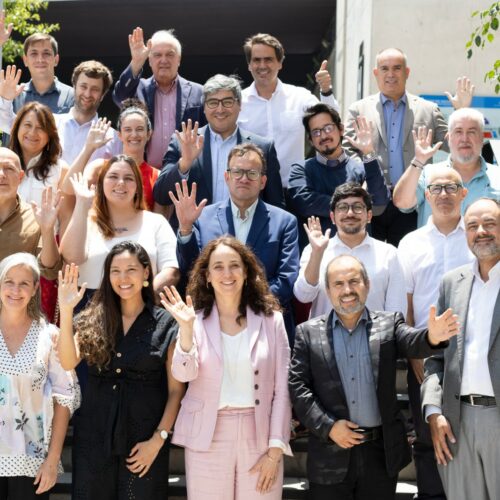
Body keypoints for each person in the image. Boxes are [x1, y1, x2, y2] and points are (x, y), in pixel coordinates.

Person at [289, 254, 459, 500]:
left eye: (354, 281)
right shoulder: (307, 333)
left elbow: (413, 341)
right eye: (338, 284)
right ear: (328, 290)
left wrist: (432, 337)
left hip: (380, 456)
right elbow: (298, 387)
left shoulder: (389, 324)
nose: (347, 290)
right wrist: (329, 427)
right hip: (330, 455)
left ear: (367, 285)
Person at [162, 236, 292, 499]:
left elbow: (283, 388)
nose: (227, 273)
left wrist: (275, 449)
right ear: (207, 276)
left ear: (246, 272)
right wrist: (186, 330)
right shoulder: (193, 320)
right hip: (207, 435)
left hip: (260, 434)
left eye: (234, 265)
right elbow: (183, 374)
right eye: (218, 267)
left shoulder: (272, 320)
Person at [57, 242, 185, 499]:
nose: (123, 278)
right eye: (115, 271)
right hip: (94, 438)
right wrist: (67, 310)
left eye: (131, 270)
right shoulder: (93, 317)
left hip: (144, 442)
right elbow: (68, 362)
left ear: (146, 272)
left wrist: (158, 440)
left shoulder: (166, 323)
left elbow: (176, 391)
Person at [343, 48, 473, 245]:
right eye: (384, 68)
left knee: (409, 258)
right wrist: (366, 174)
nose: (391, 74)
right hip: (371, 199)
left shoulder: (428, 109)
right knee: (370, 257)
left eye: (397, 68)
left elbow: (453, 145)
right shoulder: (358, 109)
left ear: (407, 72)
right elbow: (348, 150)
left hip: (413, 200)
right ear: (376, 73)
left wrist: (461, 112)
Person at [170, 143, 299, 341]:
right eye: (237, 172)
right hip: (213, 325)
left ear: (263, 181)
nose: (244, 178)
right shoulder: (202, 218)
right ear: (227, 177)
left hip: (265, 325)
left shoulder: (284, 222)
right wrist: (186, 228)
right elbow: (192, 271)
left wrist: (243, 303)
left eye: (252, 173)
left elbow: (286, 280)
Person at [397, 166, 474, 499]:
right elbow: (405, 302)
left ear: (463, 193)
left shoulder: (476, 236)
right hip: (425, 352)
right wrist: (414, 352)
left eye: (451, 187)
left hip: (472, 351)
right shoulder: (410, 243)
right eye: (437, 188)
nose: (444, 194)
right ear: (426, 196)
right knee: (427, 437)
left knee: (470, 434)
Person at [421, 197, 500, 500]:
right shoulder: (451, 283)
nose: (481, 231)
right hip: (457, 423)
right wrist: (433, 412)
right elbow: (436, 357)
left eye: (490, 223)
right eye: (472, 226)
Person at [154, 74, 284, 230]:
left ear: (239, 104)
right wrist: (185, 163)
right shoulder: (182, 142)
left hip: (247, 235)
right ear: (204, 108)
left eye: (227, 102)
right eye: (213, 103)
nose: (220, 109)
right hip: (195, 235)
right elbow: (161, 195)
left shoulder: (263, 147)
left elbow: (276, 205)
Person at [0, 253, 80, 500]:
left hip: (32, 463)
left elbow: (64, 400)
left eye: (24, 283)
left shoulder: (50, 336)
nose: (15, 290)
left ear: (36, 288)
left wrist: (53, 460)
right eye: (9, 282)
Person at [59, 155, 179, 302]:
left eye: (128, 178)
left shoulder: (156, 222)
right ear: (101, 184)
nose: (121, 183)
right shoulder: (85, 222)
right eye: (113, 177)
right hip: (89, 307)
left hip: (141, 306)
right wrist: (81, 204)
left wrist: (139, 299)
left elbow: (171, 270)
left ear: (137, 187)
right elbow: (71, 259)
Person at [238, 33, 340, 186]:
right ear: (249, 65)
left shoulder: (300, 97)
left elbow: (331, 121)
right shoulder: (238, 103)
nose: (262, 65)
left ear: (280, 63)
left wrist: (326, 90)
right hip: (251, 189)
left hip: (293, 188)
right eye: (257, 60)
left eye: (268, 59)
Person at [294, 183, 406, 319]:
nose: (350, 213)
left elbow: (397, 310)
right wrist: (317, 253)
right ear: (332, 217)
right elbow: (303, 296)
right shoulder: (315, 250)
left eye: (357, 207)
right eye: (343, 207)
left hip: (377, 332)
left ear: (369, 215)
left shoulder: (388, 254)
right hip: (326, 332)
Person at [288, 104, 389, 244]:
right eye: (316, 132)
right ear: (310, 140)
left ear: (341, 129)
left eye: (328, 128)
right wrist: (358, 202)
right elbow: (304, 203)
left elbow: (380, 201)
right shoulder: (301, 169)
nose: (323, 135)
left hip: (358, 249)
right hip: (318, 249)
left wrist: (368, 152)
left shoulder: (361, 168)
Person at [8, 101, 72, 321]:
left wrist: (64, 263)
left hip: (43, 256)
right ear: (17, 128)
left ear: (50, 134)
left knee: (37, 321)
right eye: (27, 125)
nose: (32, 133)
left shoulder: (59, 169)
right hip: (6, 248)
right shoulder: (4, 162)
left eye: (40, 128)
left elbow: (66, 220)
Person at [113, 27, 205, 168]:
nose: (164, 60)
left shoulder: (199, 92)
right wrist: (136, 62)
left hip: (184, 172)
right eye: (157, 55)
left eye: (170, 54)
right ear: (149, 60)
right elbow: (120, 97)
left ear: (179, 59)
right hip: (144, 173)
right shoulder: (137, 88)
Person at [393, 108, 500, 227]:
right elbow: (402, 202)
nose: (465, 139)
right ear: (448, 138)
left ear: (481, 138)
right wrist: (418, 160)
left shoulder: (497, 176)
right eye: (458, 132)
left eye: (471, 132)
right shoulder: (429, 173)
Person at [62, 99, 159, 210]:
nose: (134, 134)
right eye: (128, 130)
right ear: (119, 135)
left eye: (140, 129)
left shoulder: (157, 176)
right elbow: (68, 188)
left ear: (149, 134)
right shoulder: (100, 167)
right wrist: (88, 148)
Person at [0, 147, 61, 280]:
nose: (1, 174)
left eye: (9, 168)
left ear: (20, 177)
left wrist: (47, 230)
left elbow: (50, 271)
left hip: (16, 293)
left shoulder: (36, 218)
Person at [0, 29, 74, 132]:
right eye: (34, 53)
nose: (40, 59)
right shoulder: (11, 94)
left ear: (56, 60)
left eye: (46, 53)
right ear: (25, 60)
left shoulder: (73, 96)